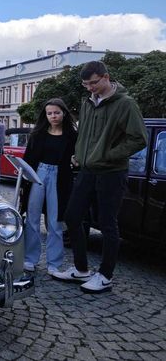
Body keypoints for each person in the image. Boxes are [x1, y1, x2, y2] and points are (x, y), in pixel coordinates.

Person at [53, 61, 147, 293]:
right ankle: (81, 269)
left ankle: (105, 275)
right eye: (86, 84)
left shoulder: (126, 104)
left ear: (106, 77)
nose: (90, 88)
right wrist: (79, 153)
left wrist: (106, 155)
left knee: (107, 224)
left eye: (93, 83)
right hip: (87, 170)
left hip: (111, 172)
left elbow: (139, 139)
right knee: (73, 217)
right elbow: (84, 132)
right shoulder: (87, 102)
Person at [19, 98, 77, 276]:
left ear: (64, 113)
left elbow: (76, 158)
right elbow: (28, 158)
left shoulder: (72, 135)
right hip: (39, 174)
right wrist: (25, 181)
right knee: (33, 218)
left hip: (60, 178)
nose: (53, 116)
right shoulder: (38, 134)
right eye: (50, 113)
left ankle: (54, 263)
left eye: (57, 112)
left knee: (55, 221)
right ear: (45, 115)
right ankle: (30, 259)